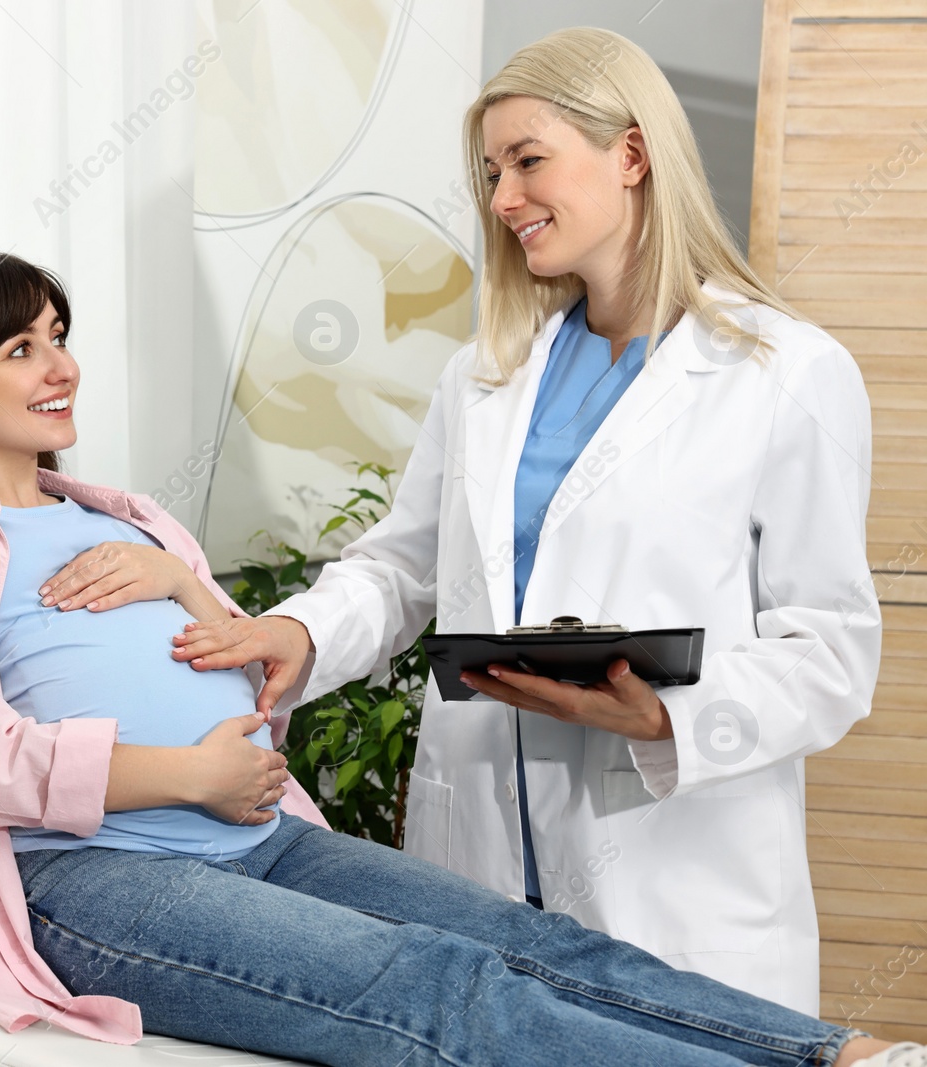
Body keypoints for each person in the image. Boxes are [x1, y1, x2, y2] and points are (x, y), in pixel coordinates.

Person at [0, 251, 919, 1066]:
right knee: (441, 987)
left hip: (261, 835)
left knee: (521, 938)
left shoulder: (130, 516)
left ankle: (843, 1054)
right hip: (97, 874)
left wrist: (188, 586)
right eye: (20, 348)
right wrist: (182, 775)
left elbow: (254, 693)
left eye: (58, 333)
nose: (59, 366)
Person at [172, 25, 882, 1017]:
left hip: (674, 874)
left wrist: (663, 716)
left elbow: (830, 649)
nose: (502, 198)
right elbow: (399, 569)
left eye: (528, 161)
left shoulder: (784, 372)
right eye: (492, 171)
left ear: (630, 154)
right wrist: (295, 630)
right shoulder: (486, 373)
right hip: (483, 865)